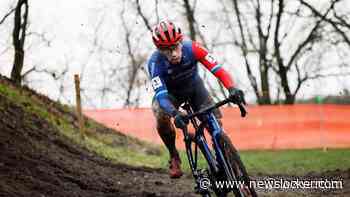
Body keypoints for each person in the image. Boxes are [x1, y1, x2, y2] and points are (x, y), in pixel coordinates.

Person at [147, 20, 245, 178]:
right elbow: (162, 96)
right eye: (166, 50)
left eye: (175, 47)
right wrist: (174, 113)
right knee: (160, 113)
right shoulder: (154, 63)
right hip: (171, 95)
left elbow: (218, 70)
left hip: (195, 90)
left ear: (181, 41)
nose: (173, 53)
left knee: (217, 128)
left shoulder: (193, 48)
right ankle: (173, 155)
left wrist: (231, 88)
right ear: (159, 50)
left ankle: (233, 171)